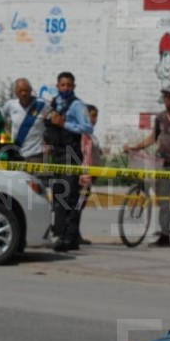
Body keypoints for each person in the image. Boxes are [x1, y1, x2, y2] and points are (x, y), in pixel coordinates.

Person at [123, 85, 170, 247]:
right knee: (163, 201)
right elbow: (153, 137)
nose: (167, 100)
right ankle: (164, 234)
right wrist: (136, 147)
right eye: (165, 97)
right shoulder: (160, 118)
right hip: (162, 163)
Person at [43, 72, 93, 252]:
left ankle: (69, 237)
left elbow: (87, 127)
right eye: (63, 85)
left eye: (69, 85)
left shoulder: (77, 105)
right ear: (57, 86)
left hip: (71, 154)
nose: (66, 88)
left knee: (69, 197)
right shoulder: (54, 103)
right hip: (57, 154)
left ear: (73, 87)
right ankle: (62, 234)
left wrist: (65, 124)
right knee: (58, 196)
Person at [0, 78, 47, 162]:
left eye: (26, 90)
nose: (23, 93)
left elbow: (52, 122)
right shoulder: (10, 105)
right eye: (20, 91)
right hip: (16, 153)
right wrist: (6, 130)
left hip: (36, 154)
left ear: (30, 90)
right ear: (16, 92)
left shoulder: (42, 104)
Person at [76, 104, 101, 245]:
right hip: (84, 176)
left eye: (95, 116)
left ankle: (75, 232)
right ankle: (73, 233)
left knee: (81, 205)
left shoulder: (90, 134)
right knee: (78, 205)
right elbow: (85, 156)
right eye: (92, 116)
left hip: (91, 175)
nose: (94, 119)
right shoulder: (83, 135)